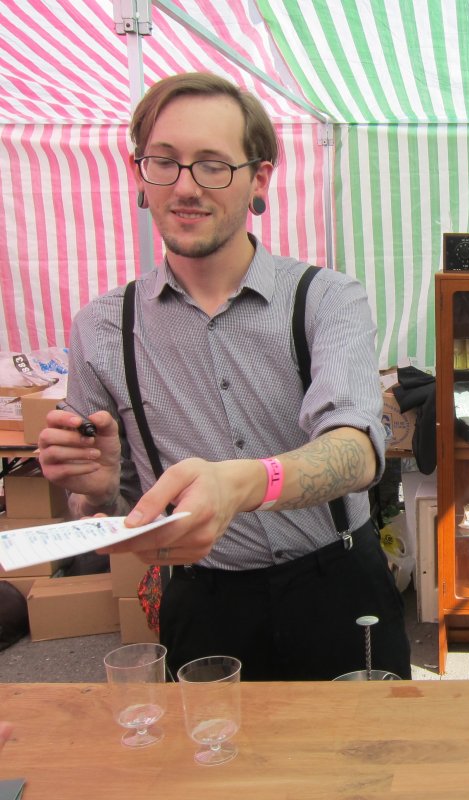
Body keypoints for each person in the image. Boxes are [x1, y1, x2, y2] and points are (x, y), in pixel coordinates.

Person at [37, 72, 411, 682]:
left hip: (339, 585)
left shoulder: (325, 299)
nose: (186, 186)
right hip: (204, 604)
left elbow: (356, 452)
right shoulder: (104, 328)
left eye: (213, 165)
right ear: (139, 175)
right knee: (211, 747)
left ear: (259, 179)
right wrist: (97, 491)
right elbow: (111, 508)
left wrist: (243, 484)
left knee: (366, 746)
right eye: (165, 162)